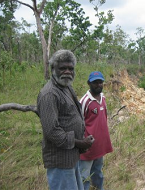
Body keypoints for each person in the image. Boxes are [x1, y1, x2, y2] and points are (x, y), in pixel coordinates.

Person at [37, 49, 95, 190]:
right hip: (60, 160)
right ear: (53, 69)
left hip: (71, 157)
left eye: (70, 68)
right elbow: (52, 132)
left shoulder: (66, 87)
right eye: (63, 68)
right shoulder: (49, 94)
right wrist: (80, 143)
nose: (67, 72)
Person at [79, 71, 113, 190]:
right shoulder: (84, 101)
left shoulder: (103, 97)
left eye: (100, 82)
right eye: (95, 82)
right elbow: (79, 123)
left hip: (100, 145)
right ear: (89, 83)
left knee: (98, 172)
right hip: (87, 147)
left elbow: (104, 118)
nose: (98, 85)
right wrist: (82, 143)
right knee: (84, 176)